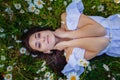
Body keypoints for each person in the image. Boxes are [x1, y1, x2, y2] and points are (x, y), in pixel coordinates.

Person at [22, 0, 120, 77]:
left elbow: (101, 30)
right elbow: (104, 42)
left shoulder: (67, 19)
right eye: (39, 44)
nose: (42, 39)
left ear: (44, 30)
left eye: (38, 35)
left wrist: (67, 35)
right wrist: (68, 44)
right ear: (46, 51)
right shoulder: (71, 57)